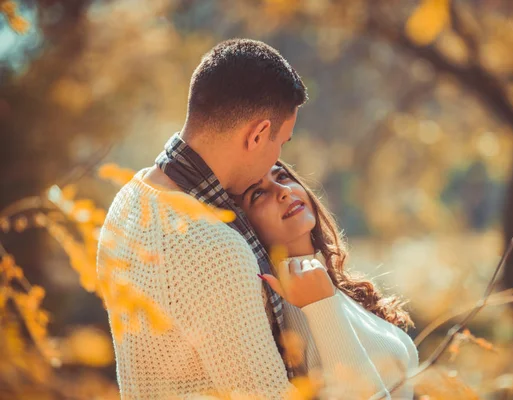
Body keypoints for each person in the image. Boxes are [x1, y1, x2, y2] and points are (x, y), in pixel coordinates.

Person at [97, 38, 311, 399]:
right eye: (282, 142)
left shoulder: (129, 199)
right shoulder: (215, 249)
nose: (277, 159)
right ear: (258, 133)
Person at [233, 161, 419, 399]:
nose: (283, 191)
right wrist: (322, 307)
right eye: (258, 193)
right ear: (243, 224)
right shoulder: (291, 311)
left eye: (282, 176)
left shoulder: (331, 284)